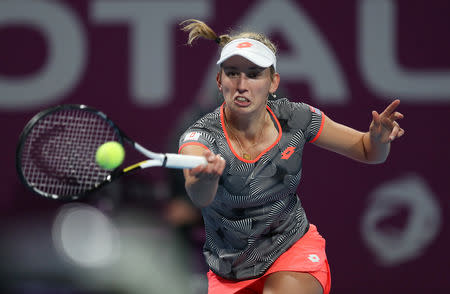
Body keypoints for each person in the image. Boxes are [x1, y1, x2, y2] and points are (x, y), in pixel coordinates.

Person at [178, 19, 404, 294]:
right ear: (219, 80)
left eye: (254, 74)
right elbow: (199, 195)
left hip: (291, 249)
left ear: (273, 82)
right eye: (232, 73)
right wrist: (205, 178)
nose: (241, 84)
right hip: (230, 272)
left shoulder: (297, 118)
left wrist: (379, 139)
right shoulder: (201, 135)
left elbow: (368, 151)